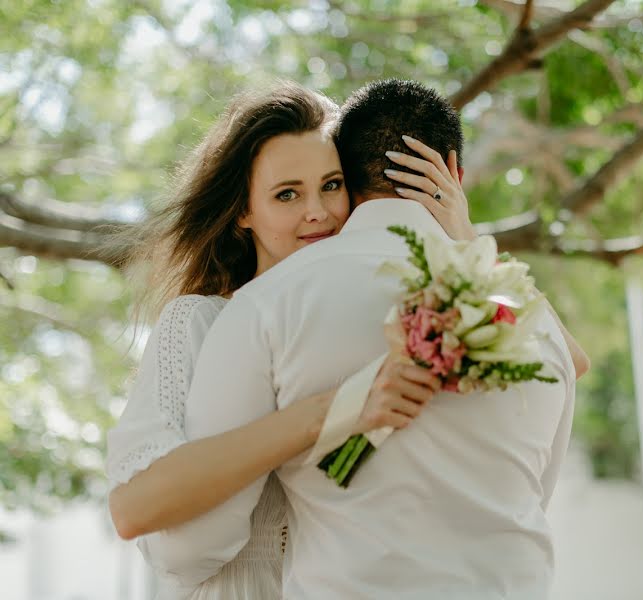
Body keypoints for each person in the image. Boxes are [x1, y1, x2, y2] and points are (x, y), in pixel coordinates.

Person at [174, 79, 584, 599]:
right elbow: (536, 493)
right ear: (457, 175)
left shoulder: (266, 305)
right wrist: (471, 238)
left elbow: (200, 535)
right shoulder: (529, 320)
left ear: (343, 174)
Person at [105, 81, 463, 599]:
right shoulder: (200, 321)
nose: (317, 212)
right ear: (243, 211)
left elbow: (568, 361)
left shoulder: (381, 311)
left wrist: (462, 233)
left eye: (333, 184)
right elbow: (134, 510)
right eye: (287, 194)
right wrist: (333, 410)